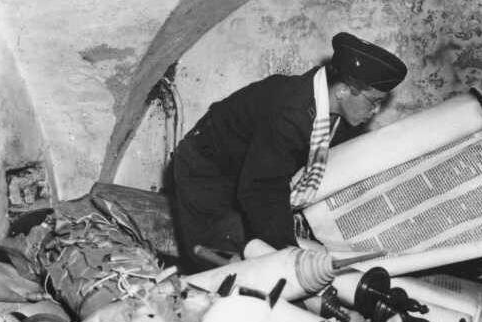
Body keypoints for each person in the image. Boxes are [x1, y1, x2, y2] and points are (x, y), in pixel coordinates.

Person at [171, 32, 407, 269]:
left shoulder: (334, 113)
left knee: (254, 253)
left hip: (245, 171)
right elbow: (261, 188)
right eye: (373, 101)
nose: (375, 111)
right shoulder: (291, 112)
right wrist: (288, 251)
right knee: (220, 263)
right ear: (342, 91)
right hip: (206, 169)